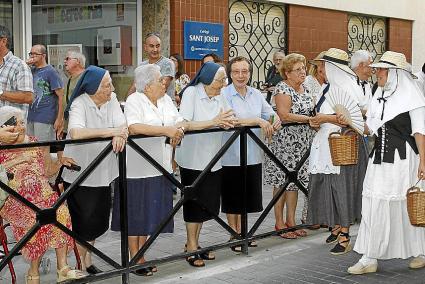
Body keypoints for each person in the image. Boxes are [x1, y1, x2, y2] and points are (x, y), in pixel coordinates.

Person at [347, 51, 425, 274]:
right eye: (377, 68)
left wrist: (423, 162)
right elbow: (370, 127)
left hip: (404, 159)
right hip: (379, 158)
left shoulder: (414, 96)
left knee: (408, 205)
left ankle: (420, 250)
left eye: (381, 69)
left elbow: (420, 131)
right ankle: (369, 257)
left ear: (395, 73)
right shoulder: (377, 92)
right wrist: (350, 120)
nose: (376, 72)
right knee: (374, 205)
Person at [111, 64, 184, 276]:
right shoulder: (135, 99)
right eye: (160, 80)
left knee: (147, 214)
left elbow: (178, 120)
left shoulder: (165, 100)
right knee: (135, 213)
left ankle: (140, 254)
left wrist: (177, 130)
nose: (164, 83)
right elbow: (134, 127)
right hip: (137, 167)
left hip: (160, 165)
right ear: (147, 85)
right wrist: (166, 130)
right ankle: (134, 258)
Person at [0, 106, 84, 283]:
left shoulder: (34, 142)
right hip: (14, 200)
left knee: (59, 211)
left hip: (43, 195)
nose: (20, 127)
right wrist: (17, 160)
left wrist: (60, 162)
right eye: (14, 124)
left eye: (22, 122)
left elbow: (46, 171)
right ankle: (33, 272)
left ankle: (63, 268)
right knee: (36, 218)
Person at [62, 66, 128, 275]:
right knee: (82, 220)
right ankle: (81, 264)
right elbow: (76, 132)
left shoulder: (113, 99)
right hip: (81, 173)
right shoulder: (80, 103)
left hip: (104, 171)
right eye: (107, 85)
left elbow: (122, 124)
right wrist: (112, 132)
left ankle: (87, 257)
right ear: (94, 88)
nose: (112, 88)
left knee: (98, 220)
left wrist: (119, 134)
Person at [307, 48, 368, 255]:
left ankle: (344, 232)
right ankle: (336, 225)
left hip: (343, 144)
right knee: (330, 187)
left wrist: (324, 119)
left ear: (332, 67)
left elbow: (348, 117)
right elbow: (325, 114)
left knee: (343, 189)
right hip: (327, 144)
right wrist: (316, 122)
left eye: (323, 65)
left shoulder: (347, 87)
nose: (320, 69)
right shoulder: (328, 88)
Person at [175, 62, 235, 267]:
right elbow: (184, 124)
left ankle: (195, 242)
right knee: (193, 203)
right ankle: (191, 246)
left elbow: (228, 116)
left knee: (205, 204)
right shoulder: (191, 93)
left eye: (224, 80)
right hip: (192, 158)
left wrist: (228, 122)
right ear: (208, 79)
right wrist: (214, 121)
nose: (223, 84)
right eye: (220, 80)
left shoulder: (221, 94)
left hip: (213, 158)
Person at [221, 56, 280, 251]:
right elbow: (232, 120)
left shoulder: (255, 94)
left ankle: (245, 232)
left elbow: (269, 112)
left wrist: (274, 120)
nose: (240, 75)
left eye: (244, 71)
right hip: (231, 153)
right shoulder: (224, 94)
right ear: (230, 74)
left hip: (253, 152)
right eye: (236, 71)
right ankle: (234, 234)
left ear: (250, 73)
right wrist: (258, 121)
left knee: (248, 195)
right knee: (233, 195)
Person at [264, 53, 315, 239]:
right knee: (281, 182)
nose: (303, 72)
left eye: (304, 68)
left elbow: (312, 109)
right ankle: (279, 222)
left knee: (295, 183)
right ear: (287, 73)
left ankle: (291, 221)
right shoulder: (282, 88)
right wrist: (311, 120)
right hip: (285, 142)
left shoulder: (306, 87)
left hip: (303, 142)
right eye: (298, 69)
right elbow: (284, 115)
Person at [301, 51, 326, 225]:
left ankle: (324, 215)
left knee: (324, 176)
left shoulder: (332, 83)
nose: (323, 68)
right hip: (310, 132)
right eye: (321, 64)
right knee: (311, 176)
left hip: (325, 133)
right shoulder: (309, 82)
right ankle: (310, 215)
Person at [26, 44, 64, 141]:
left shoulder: (51, 72)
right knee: (30, 149)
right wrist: (26, 64)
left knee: (42, 149)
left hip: (45, 116)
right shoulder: (31, 70)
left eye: (35, 54)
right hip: (30, 116)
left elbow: (61, 96)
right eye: (31, 54)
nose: (32, 56)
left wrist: (59, 119)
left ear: (43, 56)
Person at [127, 32, 175, 101]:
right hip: (146, 106)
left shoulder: (167, 63)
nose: (155, 49)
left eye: (157, 46)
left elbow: (161, 86)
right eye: (151, 46)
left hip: (165, 106)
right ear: (145, 47)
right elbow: (134, 86)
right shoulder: (142, 65)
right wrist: (128, 101)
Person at [0, 25, 33, 118]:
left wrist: (1, 93)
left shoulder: (20, 66)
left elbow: (28, 97)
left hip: (12, 128)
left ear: (3, 41)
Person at [62, 50, 86, 138]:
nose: (65, 61)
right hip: (68, 123)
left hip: (80, 124)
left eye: (67, 59)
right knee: (62, 151)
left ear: (78, 61)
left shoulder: (86, 77)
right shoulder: (69, 78)